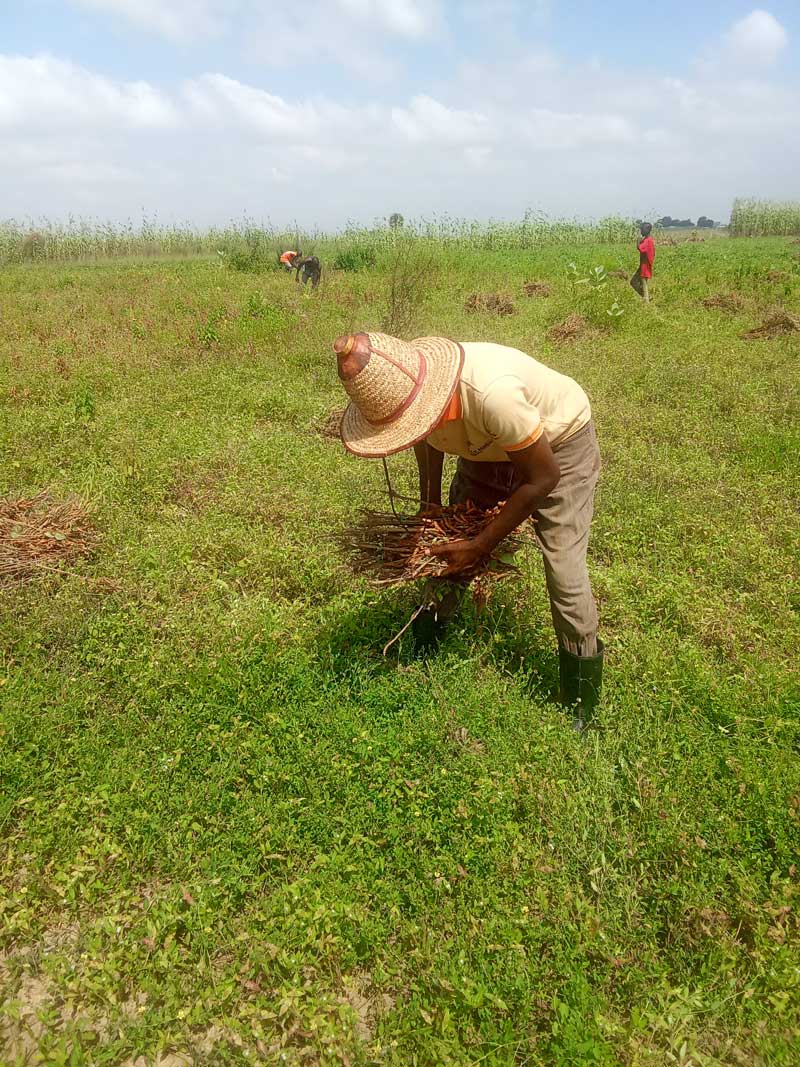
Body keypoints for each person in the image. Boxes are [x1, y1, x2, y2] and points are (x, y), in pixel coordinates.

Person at [333, 331, 604, 730]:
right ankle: (429, 635)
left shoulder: (494, 395)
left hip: (557, 447)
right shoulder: (416, 392)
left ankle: (581, 699)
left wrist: (480, 544)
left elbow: (543, 477)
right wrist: (432, 509)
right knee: (445, 543)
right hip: (488, 446)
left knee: (564, 571)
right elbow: (425, 439)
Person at [631, 222, 655, 301]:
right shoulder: (648, 240)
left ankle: (646, 300)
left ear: (647, 230)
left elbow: (640, 248)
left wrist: (638, 242)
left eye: (642, 229)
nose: (641, 231)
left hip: (645, 265)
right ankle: (647, 297)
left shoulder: (648, 241)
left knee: (643, 283)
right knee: (635, 282)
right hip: (644, 264)